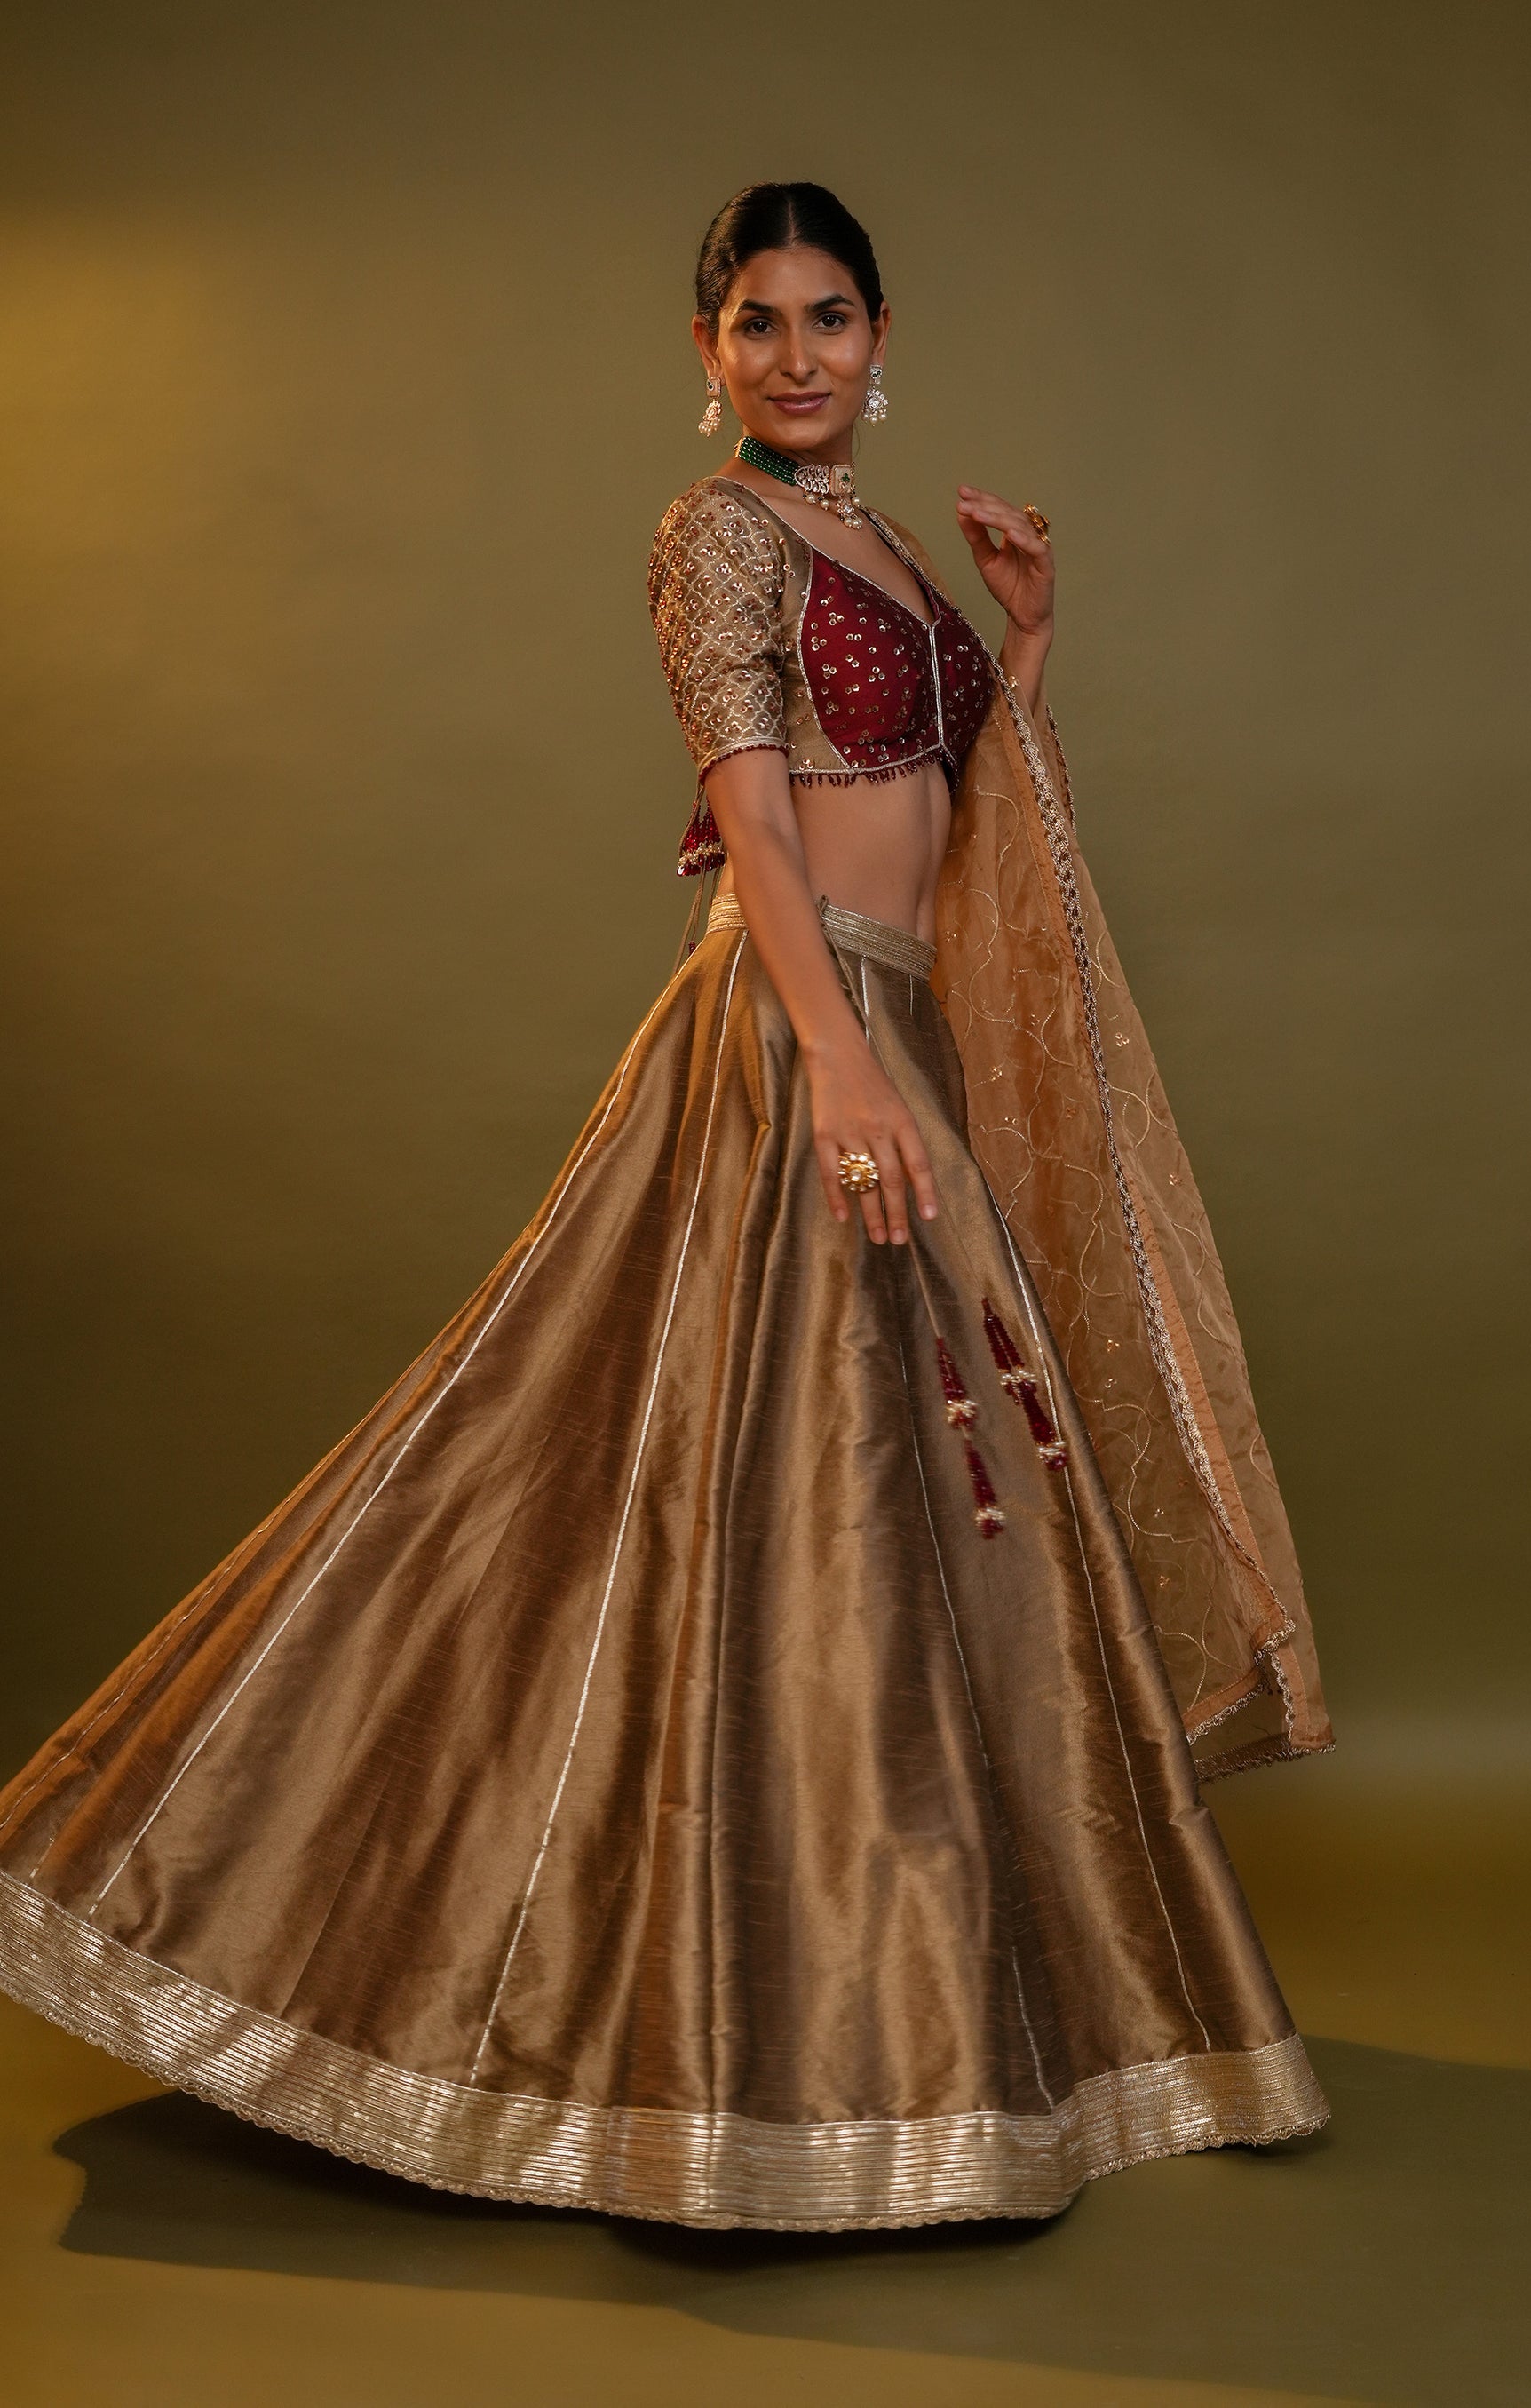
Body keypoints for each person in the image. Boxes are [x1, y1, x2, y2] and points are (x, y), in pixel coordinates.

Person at [0, 182, 1332, 2231]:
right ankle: (712, 2050)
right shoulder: (714, 535)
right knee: (751, 1504)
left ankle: (940, 2037)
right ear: (706, 352)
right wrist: (837, 1064)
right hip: (792, 1039)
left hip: (894, 1034)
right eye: (755, 322)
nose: (795, 355)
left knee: (923, 1516)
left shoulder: (891, 550)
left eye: (828, 316)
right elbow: (756, 822)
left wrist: (1024, 640)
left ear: (880, 337)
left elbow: (968, 837)